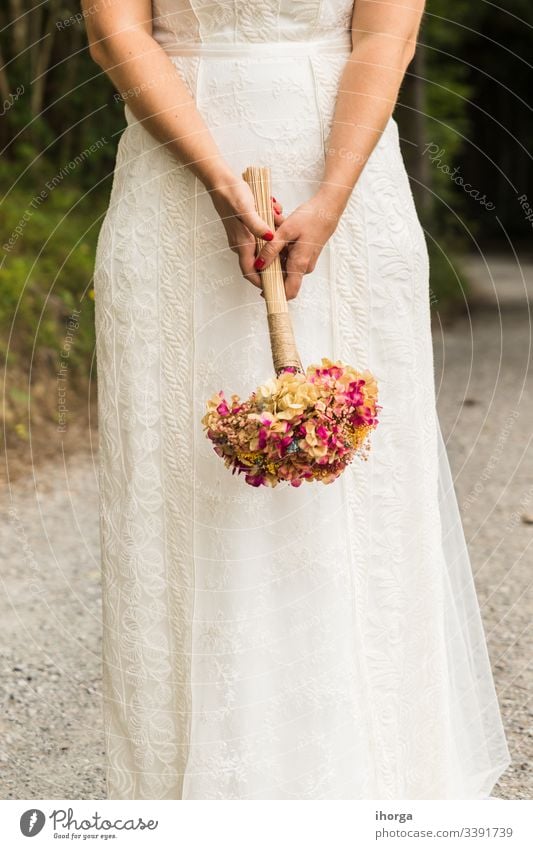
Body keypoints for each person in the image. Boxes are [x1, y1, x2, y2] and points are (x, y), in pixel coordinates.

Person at [85, 0, 511, 799]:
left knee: (359, 495)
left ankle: (376, 774)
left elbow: (385, 33)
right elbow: (117, 29)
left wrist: (332, 197)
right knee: (184, 487)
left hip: (342, 180)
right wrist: (215, 177)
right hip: (173, 187)